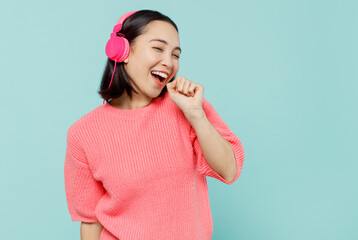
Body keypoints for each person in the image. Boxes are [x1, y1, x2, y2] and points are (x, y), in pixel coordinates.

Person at [64, 9, 245, 240]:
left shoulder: (186, 105)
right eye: (158, 48)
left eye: (176, 55)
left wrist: (196, 114)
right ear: (123, 51)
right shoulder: (83, 133)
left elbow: (229, 171)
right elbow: (90, 222)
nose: (168, 62)